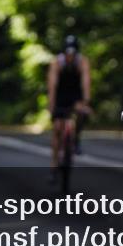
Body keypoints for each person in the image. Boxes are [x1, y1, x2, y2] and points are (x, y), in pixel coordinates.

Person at [46, 35, 91, 174]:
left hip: (75, 95)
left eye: (73, 53)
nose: (70, 56)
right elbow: (52, 85)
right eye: (68, 53)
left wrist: (86, 101)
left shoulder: (82, 62)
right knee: (57, 128)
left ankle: (76, 138)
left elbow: (86, 83)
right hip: (60, 95)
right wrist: (51, 104)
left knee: (82, 113)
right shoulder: (56, 63)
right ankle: (54, 163)